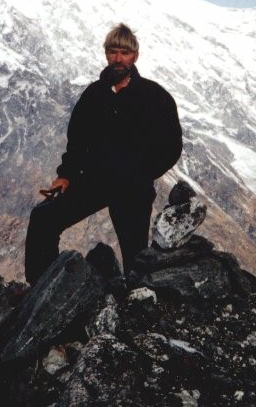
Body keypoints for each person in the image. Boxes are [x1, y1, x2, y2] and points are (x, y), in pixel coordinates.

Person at [24, 23, 182, 284]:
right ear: (106, 54)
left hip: (132, 187)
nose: (118, 58)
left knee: (135, 258)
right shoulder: (93, 95)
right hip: (93, 182)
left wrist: (141, 174)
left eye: (124, 53)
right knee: (44, 217)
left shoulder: (154, 96)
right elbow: (76, 142)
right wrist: (65, 176)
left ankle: (135, 306)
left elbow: (171, 146)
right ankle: (40, 290)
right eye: (112, 52)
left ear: (135, 56)